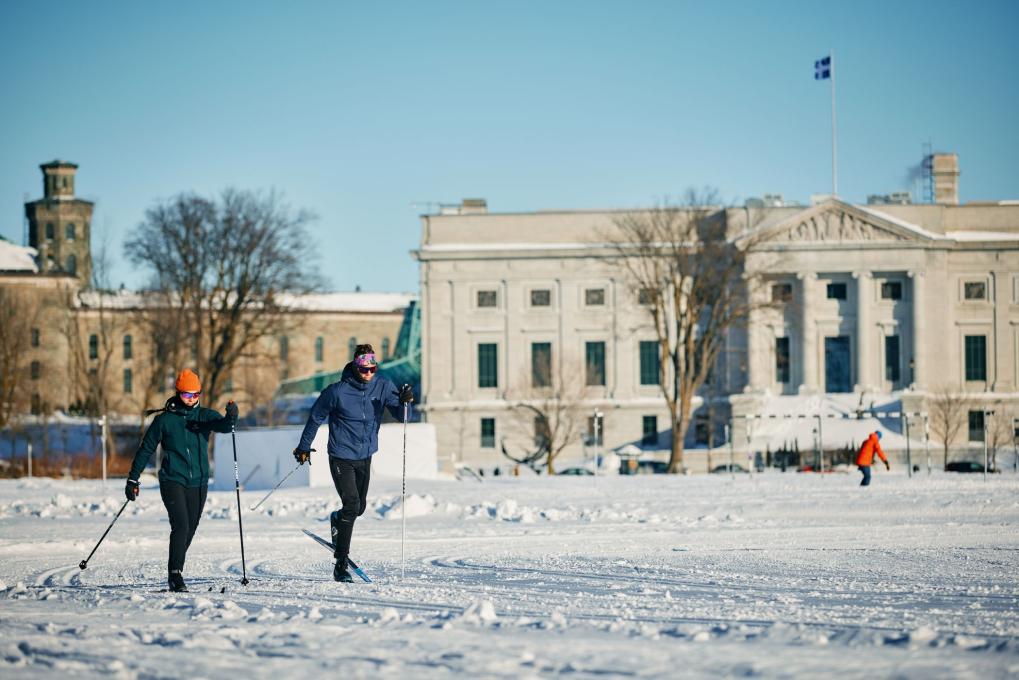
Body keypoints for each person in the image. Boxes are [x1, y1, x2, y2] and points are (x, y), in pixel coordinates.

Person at [293, 344, 413, 582]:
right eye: (364, 369)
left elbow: (402, 416)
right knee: (352, 504)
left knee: (359, 509)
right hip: (341, 455)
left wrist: (406, 401)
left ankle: (338, 520)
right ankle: (341, 564)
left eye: (372, 369)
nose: (369, 374)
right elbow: (316, 417)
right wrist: (304, 447)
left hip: (365, 456)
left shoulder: (383, 385)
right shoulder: (337, 391)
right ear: (356, 367)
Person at [126, 369, 238, 592]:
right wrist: (133, 478)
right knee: (181, 525)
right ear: (178, 393)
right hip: (172, 479)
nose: (191, 399)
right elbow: (146, 449)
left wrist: (232, 415)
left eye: (195, 394)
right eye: (187, 395)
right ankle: (175, 574)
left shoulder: (205, 416)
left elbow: (226, 426)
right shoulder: (164, 421)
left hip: (199, 482)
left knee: (191, 528)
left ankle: (176, 564)